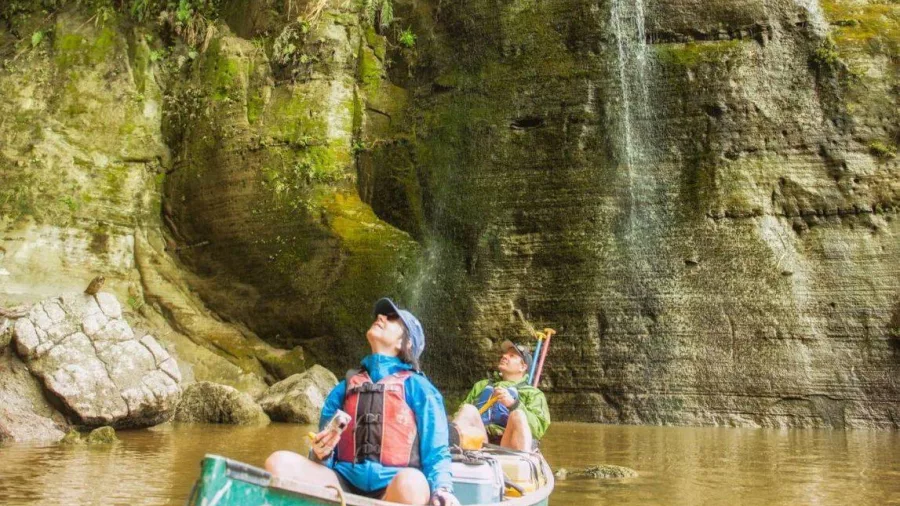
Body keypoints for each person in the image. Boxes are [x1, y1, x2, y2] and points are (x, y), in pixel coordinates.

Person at [266, 298, 460, 506]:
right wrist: (320, 454)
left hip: (394, 490)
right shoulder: (344, 388)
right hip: (343, 485)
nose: (381, 317)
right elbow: (324, 455)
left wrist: (442, 490)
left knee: (411, 484)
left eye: (393, 318)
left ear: (407, 343)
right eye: (382, 315)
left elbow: (437, 453)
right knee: (278, 463)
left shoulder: (420, 388)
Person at [452, 340, 550, 451]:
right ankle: (450, 450)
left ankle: (522, 460)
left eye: (512, 356)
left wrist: (513, 404)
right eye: (504, 354)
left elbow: (538, 429)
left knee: (518, 415)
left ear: (522, 367)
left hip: (509, 444)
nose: (504, 356)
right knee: (467, 409)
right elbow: (460, 415)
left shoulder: (533, 394)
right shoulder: (481, 386)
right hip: (481, 439)